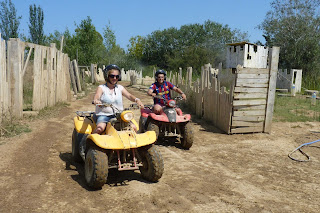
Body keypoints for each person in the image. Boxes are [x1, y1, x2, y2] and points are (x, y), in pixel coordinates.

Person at [92, 64, 144, 134]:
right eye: (112, 76)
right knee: (100, 129)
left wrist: (137, 100)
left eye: (117, 76)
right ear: (107, 76)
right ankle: (87, 143)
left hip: (119, 115)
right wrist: (96, 100)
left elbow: (129, 95)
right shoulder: (101, 87)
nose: (114, 78)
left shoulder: (120, 88)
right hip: (104, 115)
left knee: (134, 128)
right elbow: (97, 95)